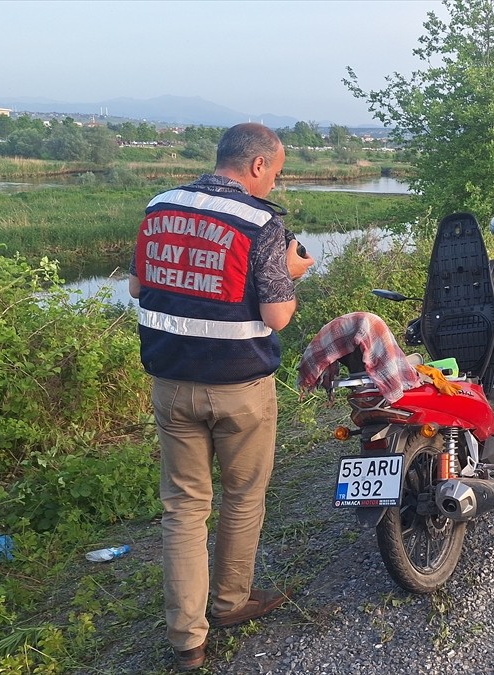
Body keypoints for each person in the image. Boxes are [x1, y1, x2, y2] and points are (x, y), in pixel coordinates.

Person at [128, 123, 315, 670]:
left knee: (184, 509)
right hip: (240, 390)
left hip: (170, 382)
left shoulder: (159, 206)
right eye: (276, 172)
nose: (273, 181)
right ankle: (231, 602)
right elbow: (278, 315)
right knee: (243, 496)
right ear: (258, 166)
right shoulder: (262, 223)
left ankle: (187, 638)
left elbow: (139, 287)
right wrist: (292, 271)